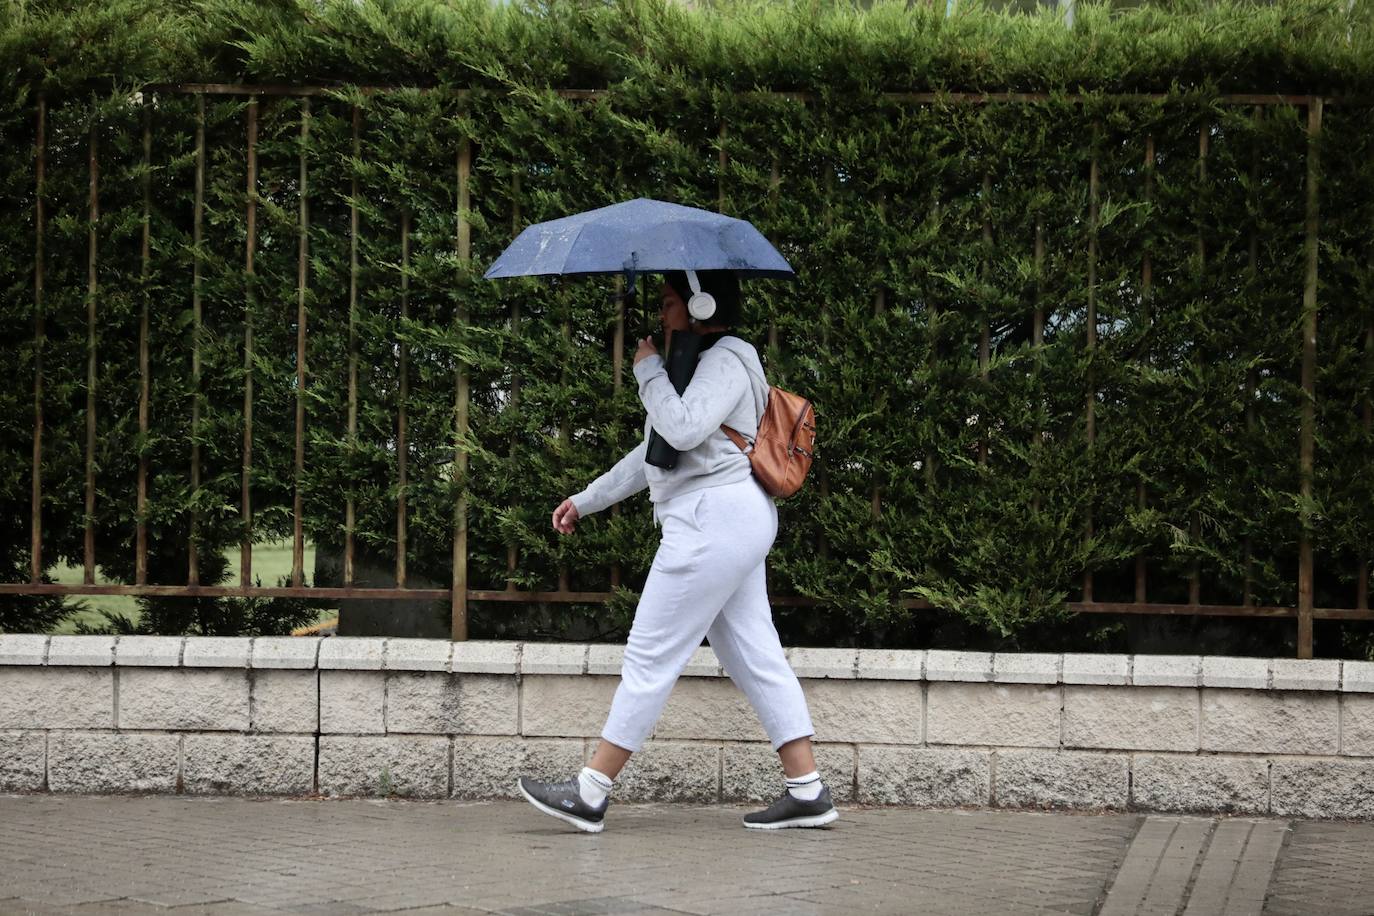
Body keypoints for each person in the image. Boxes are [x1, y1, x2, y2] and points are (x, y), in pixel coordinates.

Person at [516, 269, 838, 833]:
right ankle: (807, 789)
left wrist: (647, 371)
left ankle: (591, 790)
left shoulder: (724, 362)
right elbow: (655, 451)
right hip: (726, 519)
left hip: (712, 521)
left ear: (700, 304)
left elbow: (683, 429)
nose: (661, 314)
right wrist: (586, 500)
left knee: (650, 652)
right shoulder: (695, 365)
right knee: (753, 653)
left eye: (668, 302)